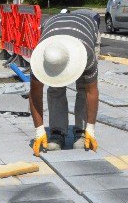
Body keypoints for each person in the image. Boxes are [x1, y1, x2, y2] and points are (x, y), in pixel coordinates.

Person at [28, 10, 101, 155]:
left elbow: (91, 91)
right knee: (55, 86)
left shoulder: (87, 53)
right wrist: (39, 130)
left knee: (83, 86)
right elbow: (35, 94)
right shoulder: (39, 58)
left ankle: (82, 131)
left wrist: (91, 128)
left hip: (86, 30)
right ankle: (57, 132)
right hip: (53, 32)